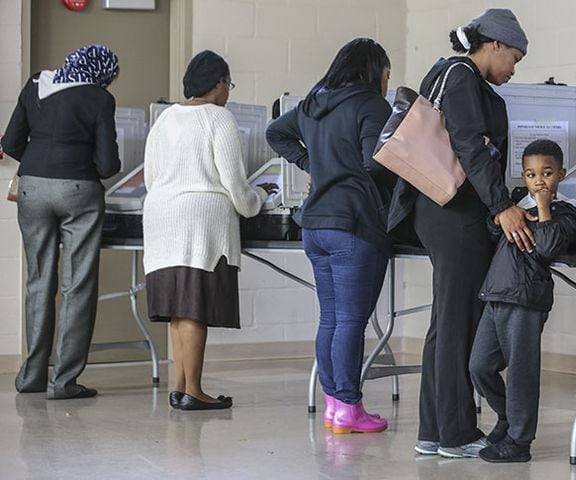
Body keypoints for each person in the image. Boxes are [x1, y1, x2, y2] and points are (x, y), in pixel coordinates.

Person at [386, 8, 533, 457]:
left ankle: (434, 432)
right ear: (495, 46)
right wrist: (503, 206)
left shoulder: (452, 75)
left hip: (443, 211)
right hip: (453, 213)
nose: (514, 68)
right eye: (515, 58)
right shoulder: (462, 74)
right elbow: (469, 146)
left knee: (446, 325)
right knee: (457, 324)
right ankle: (457, 435)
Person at [266, 38, 394, 434]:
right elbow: (376, 164)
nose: (387, 83)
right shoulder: (372, 105)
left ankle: (334, 405)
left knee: (332, 319)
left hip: (316, 225)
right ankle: (351, 408)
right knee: (352, 321)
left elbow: (276, 133)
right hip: (353, 224)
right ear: (374, 71)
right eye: (386, 74)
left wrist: (314, 164)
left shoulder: (311, 103)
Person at [143, 50, 275, 411]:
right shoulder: (219, 118)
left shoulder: (165, 118)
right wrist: (259, 200)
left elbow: (151, 177)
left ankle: (181, 387)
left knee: (176, 309)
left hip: (159, 217)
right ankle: (196, 391)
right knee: (194, 308)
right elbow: (234, 182)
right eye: (228, 84)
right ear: (218, 84)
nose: (229, 92)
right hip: (198, 220)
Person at [1, 44, 121, 400]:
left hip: (32, 189)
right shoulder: (99, 99)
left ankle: (31, 377)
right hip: (78, 191)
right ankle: (64, 382)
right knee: (77, 286)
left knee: (38, 281)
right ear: (102, 74)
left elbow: (10, 142)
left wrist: (40, 164)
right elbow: (107, 165)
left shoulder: (36, 83)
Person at [470, 139, 576, 462]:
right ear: (523, 177)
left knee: (520, 372)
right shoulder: (517, 207)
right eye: (532, 175)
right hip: (495, 295)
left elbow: (547, 248)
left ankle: (519, 442)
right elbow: (491, 234)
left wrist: (544, 207)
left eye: (547, 173)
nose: (539, 181)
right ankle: (507, 417)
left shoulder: (566, 213)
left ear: (560, 174)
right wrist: (499, 218)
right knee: (479, 366)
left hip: (525, 300)